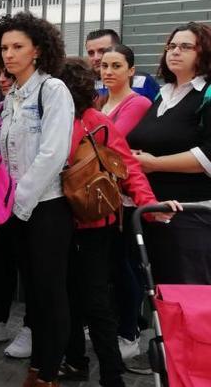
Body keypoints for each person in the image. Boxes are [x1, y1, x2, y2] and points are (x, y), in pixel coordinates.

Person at [57, 58, 179, 387]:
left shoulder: (85, 121)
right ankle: (86, 365)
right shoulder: (85, 120)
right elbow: (130, 169)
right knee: (76, 296)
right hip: (80, 223)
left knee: (90, 298)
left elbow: (128, 168)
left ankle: (107, 373)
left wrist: (148, 205)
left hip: (83, 225)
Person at [0, 12, 75, 386]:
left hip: (46, 208)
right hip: (17, 211)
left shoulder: (52, 90)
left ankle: (49, 372)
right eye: (4, 47)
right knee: (33, 294)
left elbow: (53, 154)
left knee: (50, 293)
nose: (9, 54)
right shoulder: (12, 97)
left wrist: (18, 203)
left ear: (38, 49)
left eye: (18, 46)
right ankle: (39, 365)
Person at [128, 22, 211, 285]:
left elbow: (208, 155)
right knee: (161, 293)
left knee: (189, 295)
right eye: (172, 46)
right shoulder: (163, 95)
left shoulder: (205, 95)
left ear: (204, 52)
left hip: (190, 214)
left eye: (186, 47)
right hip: (153, 210)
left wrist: (154, 163)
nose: (175, 52)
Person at [96, 44, 154, 361]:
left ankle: (129, 332)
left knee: (126, 268)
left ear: (131, 71)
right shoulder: (101, 102)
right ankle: (117, 323)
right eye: (104, 65)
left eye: (116, 66)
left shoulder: (138, 103)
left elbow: (108, 141)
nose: (108, 71)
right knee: (109, 268)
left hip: (128, 200)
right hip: (105, 199)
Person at [85, 29, 159, 102]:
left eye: (102, 51)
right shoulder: (84, 86)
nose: (96, 57)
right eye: (91, 53)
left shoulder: (142, 81)